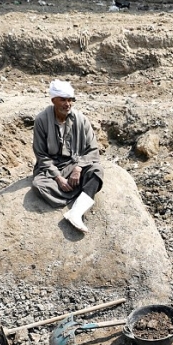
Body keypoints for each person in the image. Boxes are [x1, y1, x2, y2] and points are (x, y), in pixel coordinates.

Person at [32, 79, 104, 233]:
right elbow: (41, 155)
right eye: (63, 99)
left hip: (74, 162)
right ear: (53, 100)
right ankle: (82, 192)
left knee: (96, 171)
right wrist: (58, 178)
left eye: (70, 100)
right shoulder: (41, 120)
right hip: (52, 167)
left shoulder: (81, 119)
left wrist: (78, 168)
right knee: (39, 186)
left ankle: (75, 212)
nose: (67, 104)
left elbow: (92, 149)